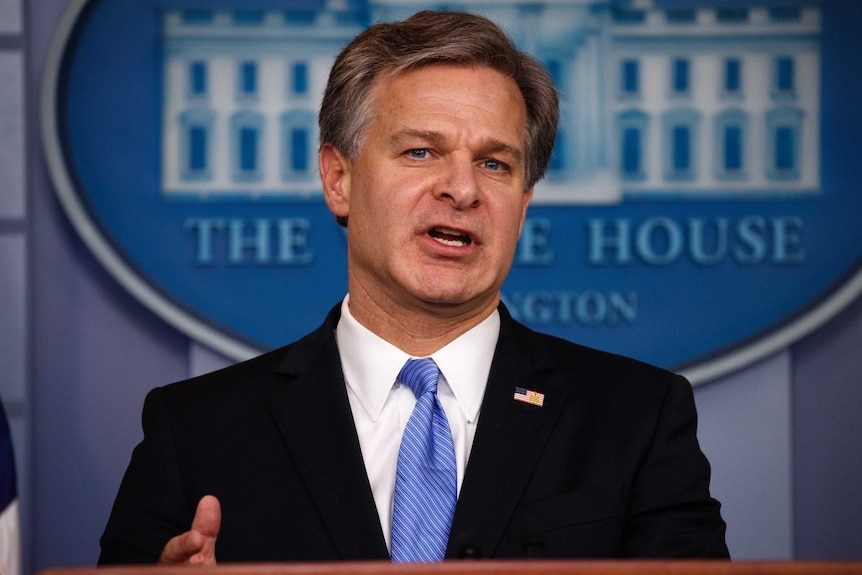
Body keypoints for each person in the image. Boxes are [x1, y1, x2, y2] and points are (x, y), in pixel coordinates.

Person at [99, 10, 728, 564]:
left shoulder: (637, 419)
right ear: (338, 179)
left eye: (494, 163)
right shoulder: (197, 432)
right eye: (422, 152)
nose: (463, 189)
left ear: (525, 200)